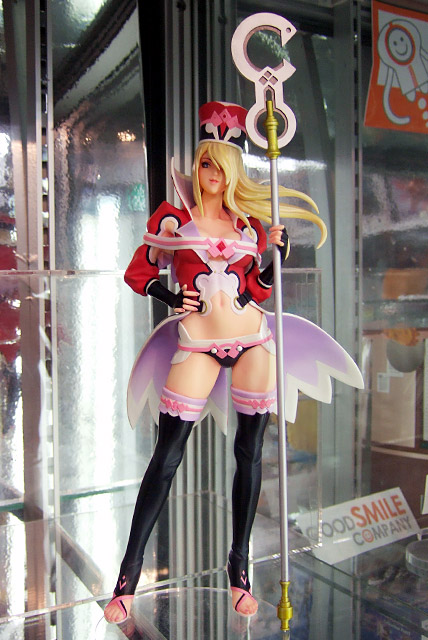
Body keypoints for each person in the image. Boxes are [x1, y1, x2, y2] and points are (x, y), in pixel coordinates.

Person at [104, 101, 361, 623]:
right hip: (196, 342)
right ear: (197, 165)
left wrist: (275, 258)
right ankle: (128, 575)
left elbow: (256, 291)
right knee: (167, 456)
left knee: (250, 452)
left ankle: (238, 566)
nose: (213, 175)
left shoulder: (250, 224)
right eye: (206, 163)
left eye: (222, 166)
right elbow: (137, 272)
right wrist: (168, 295)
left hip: (253, 340)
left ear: (236, 170)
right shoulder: (172, 218)